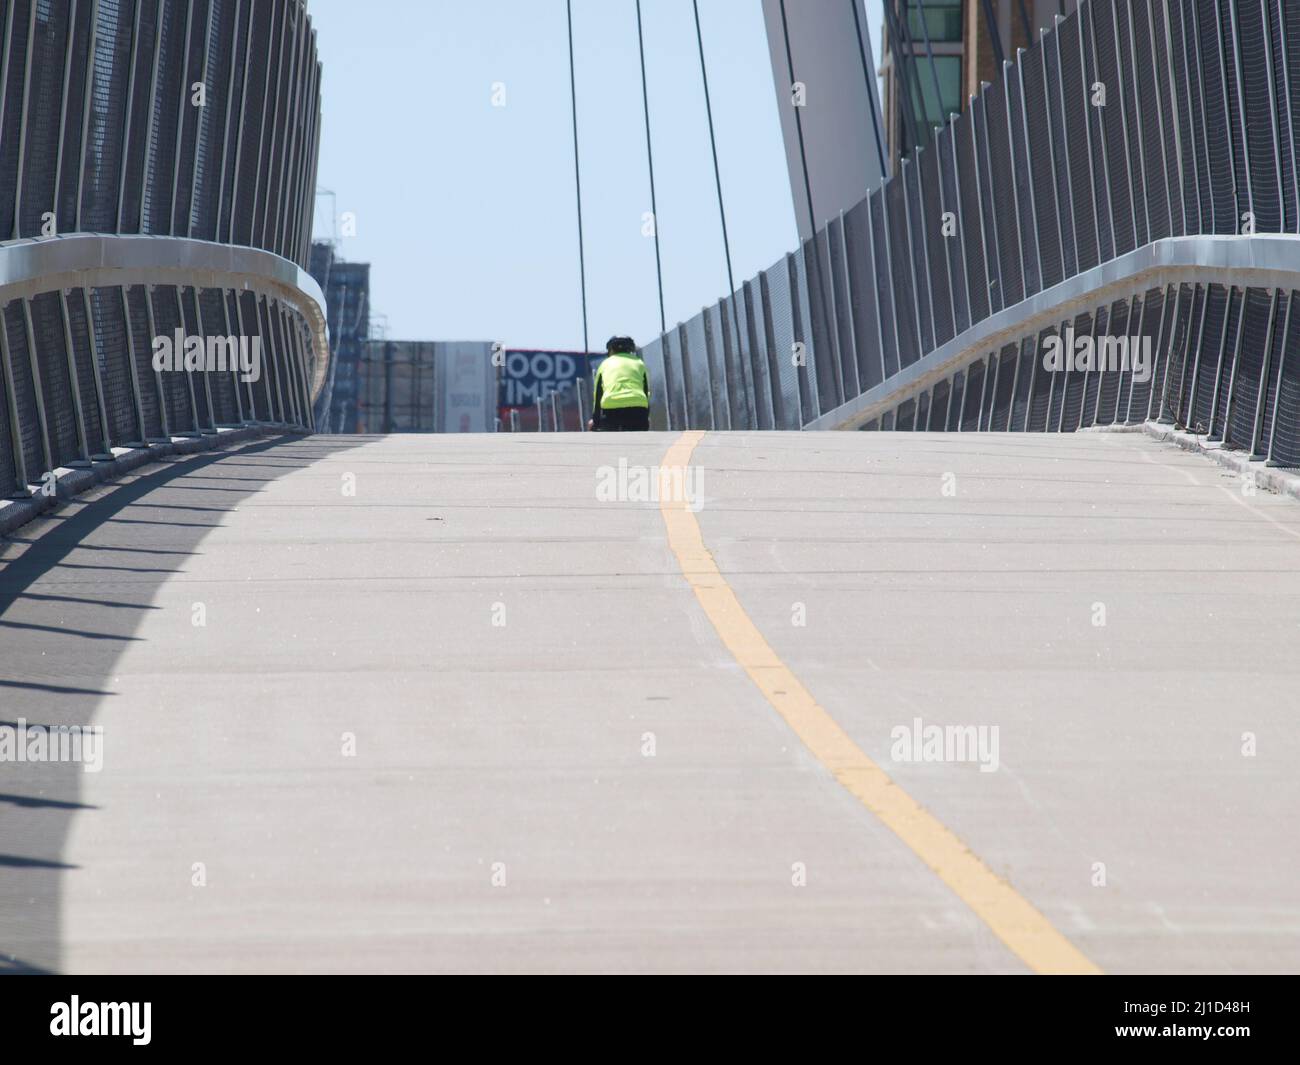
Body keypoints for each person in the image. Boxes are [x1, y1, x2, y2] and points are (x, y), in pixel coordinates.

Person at [588, 336, 651, 431]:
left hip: (611, 407)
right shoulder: (639, 363)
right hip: (637, 407)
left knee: (611, 442)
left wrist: (595, 421)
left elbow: (598, 395)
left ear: (611, 350)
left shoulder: (604, 364)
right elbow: (646, 391)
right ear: (631, 350)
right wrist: (646, 416)